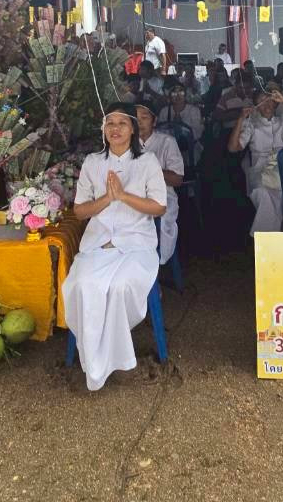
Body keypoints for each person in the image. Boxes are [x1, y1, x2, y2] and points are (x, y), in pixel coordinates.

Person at [61, 105, 167, 391]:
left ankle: (114, 359)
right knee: (82, 284)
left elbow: (159, 206)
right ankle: (96, 360)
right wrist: (107, 199)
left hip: (136, 244)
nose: (116, 129)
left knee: (120, 287)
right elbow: (81, 212)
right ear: (103, 130)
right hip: (98, 244)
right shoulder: (93, 162)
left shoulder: (147, 162)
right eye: (110, 123)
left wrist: (123, 195)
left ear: (133, 129)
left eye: (122, 123)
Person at [228, 86, 283, 233]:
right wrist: (241, 119)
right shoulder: (252, 125)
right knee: (263, 193)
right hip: (260, 168)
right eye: (262, 102)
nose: (267, 105)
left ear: (275, 103)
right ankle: (269, 241)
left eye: (270, 101)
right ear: (256, 106)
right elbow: (233, 147)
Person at [134, 105, 185, 266]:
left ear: (154, 121)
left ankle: (153, 262)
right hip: (131, 195)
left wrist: (150, 169)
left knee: (158, 216)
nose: (139, 123)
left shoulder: (167, 142)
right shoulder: (126, 143)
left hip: (162, 194)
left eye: (145, 117)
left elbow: (177, 179)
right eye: (135, 118)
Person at [158, 85, 204, 151]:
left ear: (185, 96)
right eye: (174, 93)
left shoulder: (194, 110)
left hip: (190, 148)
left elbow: (198, 132)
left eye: (181, 93)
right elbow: (160, 132)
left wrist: (181, 129)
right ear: (170, 97)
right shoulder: (164, 111)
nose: (178, 96)